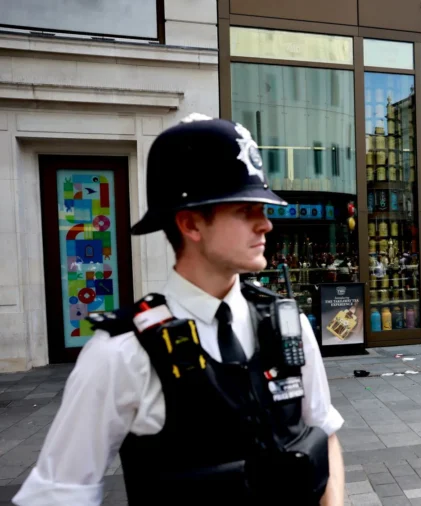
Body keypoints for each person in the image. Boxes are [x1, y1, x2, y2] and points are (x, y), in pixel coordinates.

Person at [13, 114, 346, 505]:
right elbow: (58, 492)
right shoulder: (122, 352)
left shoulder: (288, 324)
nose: (266, 225)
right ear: (190, 224)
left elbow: (323, 433)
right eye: (245, 210)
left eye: (263, 208)